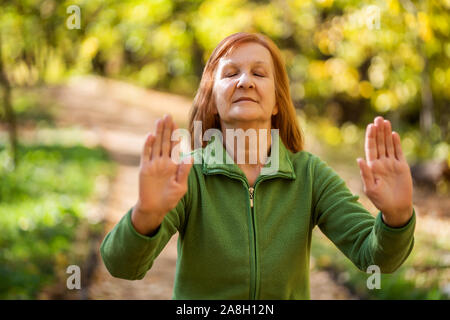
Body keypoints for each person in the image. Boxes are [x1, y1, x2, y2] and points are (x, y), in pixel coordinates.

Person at [100, 32, 416, 299]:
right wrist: (146, 214)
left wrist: (397, 217)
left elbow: (375, 257)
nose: (245, 82)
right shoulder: (188, 175)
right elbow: (122, 266)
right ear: (212, 98)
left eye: (259, 73)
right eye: (230, 73)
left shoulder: (309, 174)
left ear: (277, 101)